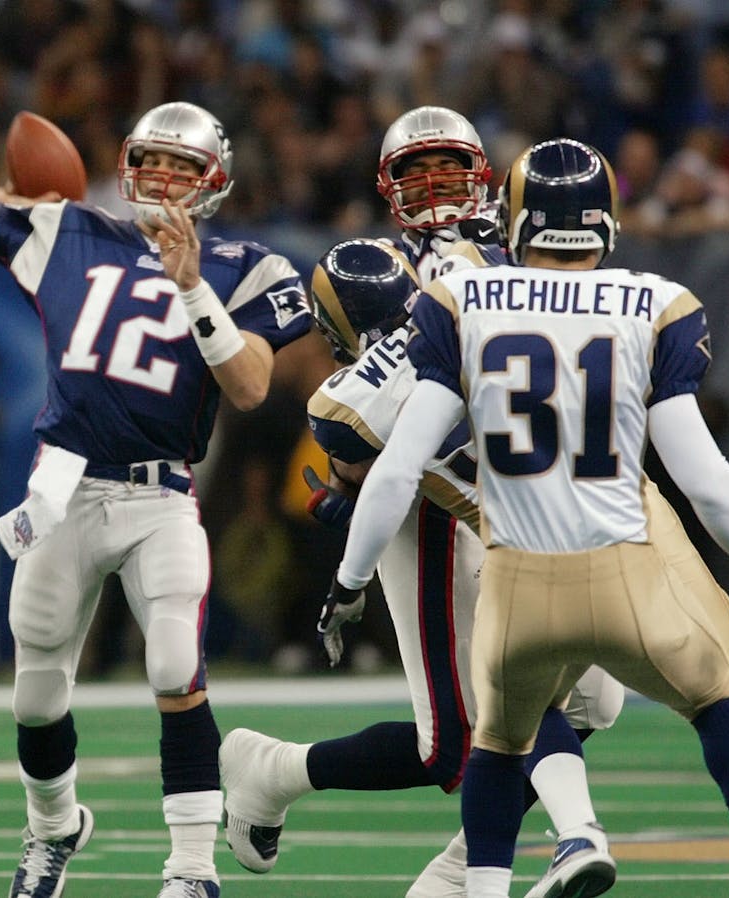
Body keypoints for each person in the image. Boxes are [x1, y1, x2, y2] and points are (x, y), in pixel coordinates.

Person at [333, 137, 729, 898]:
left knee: (499, 746)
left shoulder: (463, 302)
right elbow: (705, 479)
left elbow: (394, 468)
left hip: (518, 583)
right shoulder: (655, 303)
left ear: (516, 221)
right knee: (722, 695)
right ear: (608, 220)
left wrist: (348, 581)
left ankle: (516, 871)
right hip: (625, 564)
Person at [226, 106, 625, 898]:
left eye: (451, 170)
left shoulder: (524, 245)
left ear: (483, 175)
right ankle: (516, 858)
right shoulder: (382, 269)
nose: (438, 189)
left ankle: (282, 777)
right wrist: (356, 492)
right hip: (437, 508)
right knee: (466, 731)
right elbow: (356, 413)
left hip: (538, 490)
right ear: (389, 189)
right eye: (418, 174)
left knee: (588, 699)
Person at [0, 100, 313, 898]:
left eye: (184, 166)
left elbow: (248, 387)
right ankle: (55, 827)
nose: (165, 178)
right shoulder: (70, 235)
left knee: (176, 663)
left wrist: (190, 290)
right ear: (126, 163)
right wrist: (22, 193)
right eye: (155, 161)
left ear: (213, 183)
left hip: (159, 496)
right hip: (65, 488)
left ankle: (190, 869)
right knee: (36, 694)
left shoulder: (248, 267)